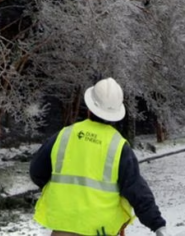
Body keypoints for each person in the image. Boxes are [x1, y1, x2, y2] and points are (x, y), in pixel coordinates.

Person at [31, 78, 168, 236]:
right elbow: (136, 190)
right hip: (101, 230)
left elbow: (37, 172)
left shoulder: (64, 136)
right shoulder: (118, 146)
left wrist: (62, 192)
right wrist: (157, 224)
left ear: (89, 107)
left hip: (63, 226)